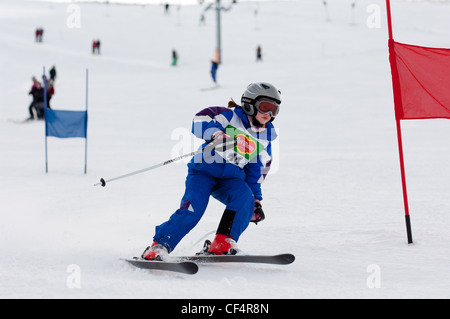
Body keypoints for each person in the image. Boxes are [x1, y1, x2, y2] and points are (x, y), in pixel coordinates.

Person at [141, 82, 281, 260]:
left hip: (231, 180)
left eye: (274, 110)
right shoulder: (229, 116)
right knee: (193, 209)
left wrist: (256, 199)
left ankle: (223, 242)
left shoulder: (264, 136)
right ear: (249, 103)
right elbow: (200, 120)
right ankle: (159, 245)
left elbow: (257, 169)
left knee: (244, 200)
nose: (269, 114)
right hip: (203, 173)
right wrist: (215, 134)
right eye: (265, 107)